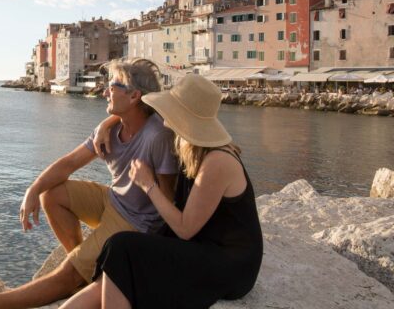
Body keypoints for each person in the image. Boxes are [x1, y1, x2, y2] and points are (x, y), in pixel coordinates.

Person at [0, 58, 179, 309]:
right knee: (51, 194)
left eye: (113, 85)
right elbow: (69, 163)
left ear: (134, 97)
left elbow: (167, 197)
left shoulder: (157, 137)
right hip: (114, 200)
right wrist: (33, 190)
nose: (105, 90)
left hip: (136, 222)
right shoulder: (111, 128)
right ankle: (82, 270)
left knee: (66, 273)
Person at [60, 74, 263, 309]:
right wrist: (106, 124)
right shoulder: (190, 144)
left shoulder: (217, 161)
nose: (164, 118)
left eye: (171, 111)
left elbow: (185, 229)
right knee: (119, 260)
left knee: (122, 247)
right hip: (204, 245)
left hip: (230, 264)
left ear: (183, 117)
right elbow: (136, 113)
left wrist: (148, 185)